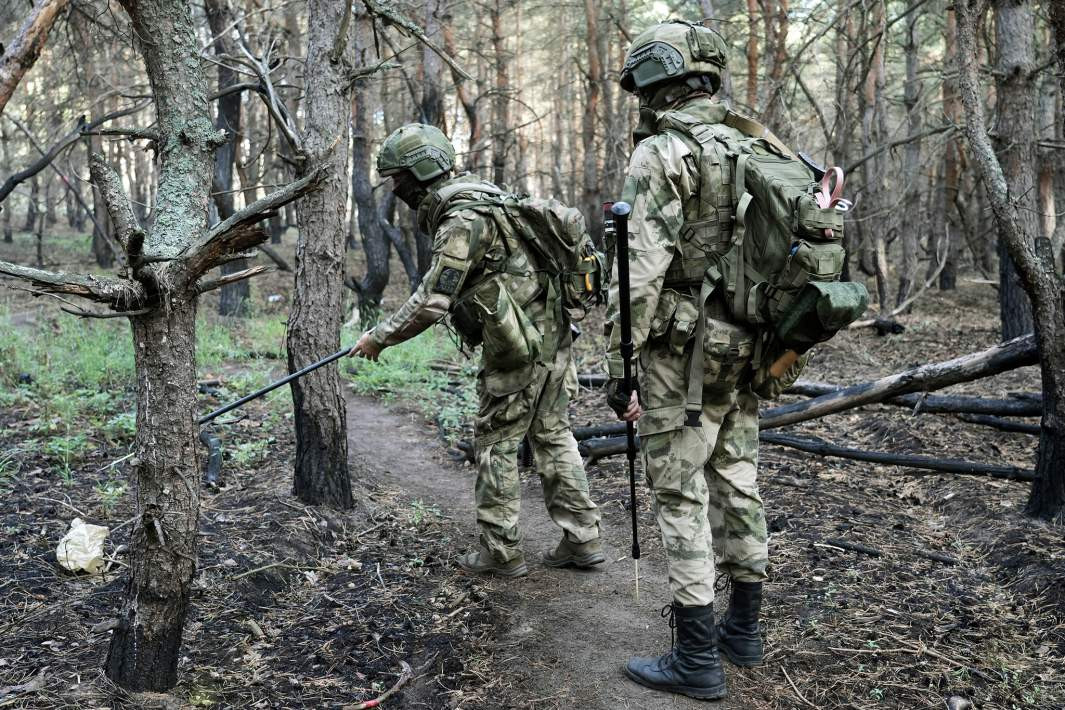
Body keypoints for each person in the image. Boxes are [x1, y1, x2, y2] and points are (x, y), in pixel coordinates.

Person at [605, 20, 782, 701]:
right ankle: (743, 633)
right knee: (736, 474)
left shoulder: (662, 153)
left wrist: (623, 361)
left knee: (679, 490)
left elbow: (641, 273)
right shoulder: (753, 142)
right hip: (750, 340)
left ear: (655, 84)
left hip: (681, 349)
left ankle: (697, 660)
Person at [350, 123, 603, 578]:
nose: (395, 188)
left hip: (518, 345)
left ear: (420, 171)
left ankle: (500, 551)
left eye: (398, 178)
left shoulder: (462, 219)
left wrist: (380, 336)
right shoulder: (486, 196)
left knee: (497, 442)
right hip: (551, 335)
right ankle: (582, 540)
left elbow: (432, 299)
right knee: (552, 434)